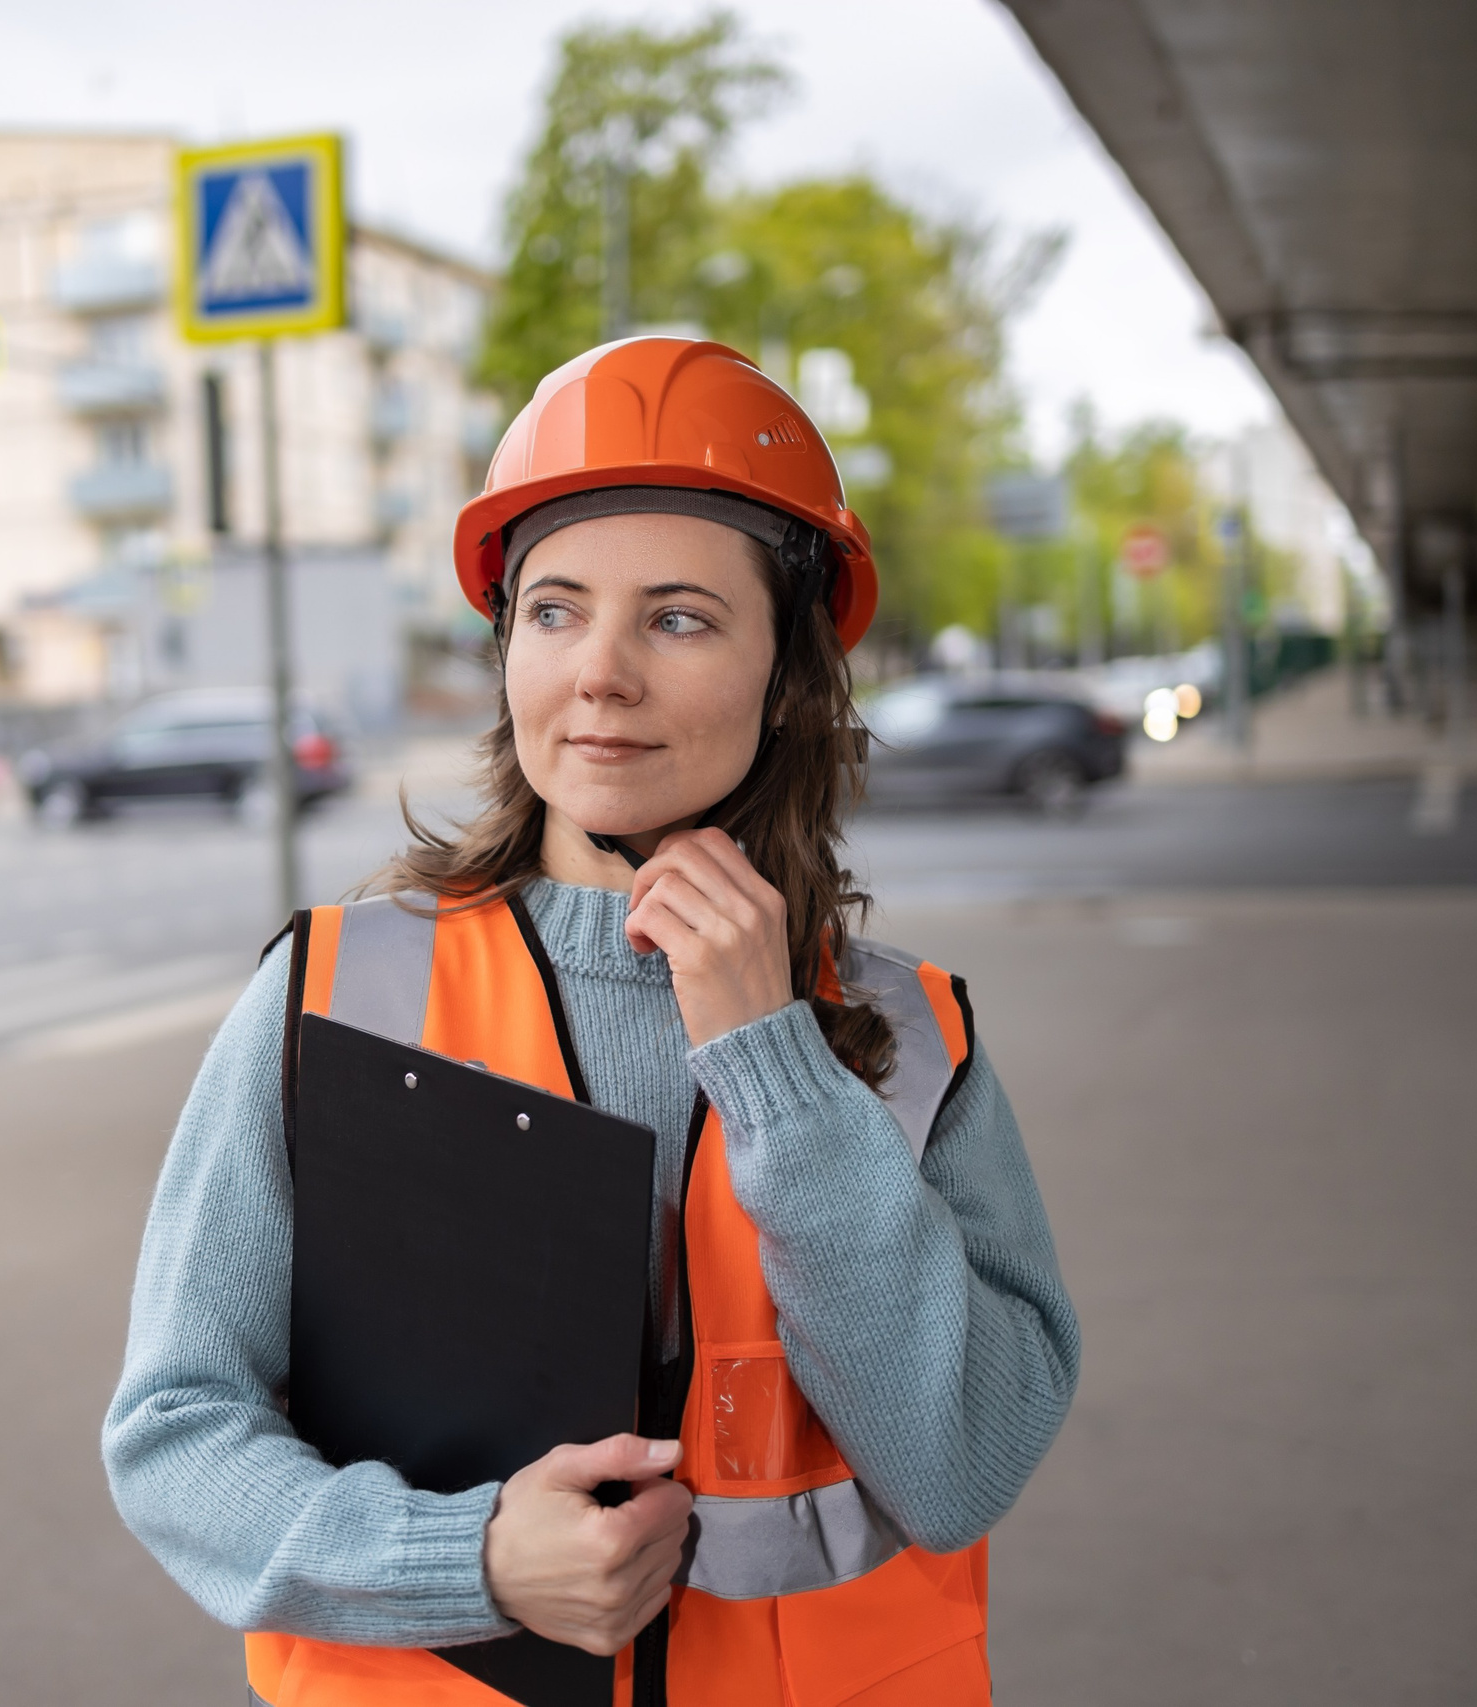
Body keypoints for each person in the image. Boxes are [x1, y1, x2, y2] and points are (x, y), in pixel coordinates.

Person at [104, 337, 1079, 1706]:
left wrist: (775, 1067)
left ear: (791, 675)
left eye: (678, 617)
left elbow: (961, 1462)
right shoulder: (337, 995)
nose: (600, 673)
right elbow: (175, 1434)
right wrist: (471, 1559)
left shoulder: (912, 1042)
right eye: (555, 611)